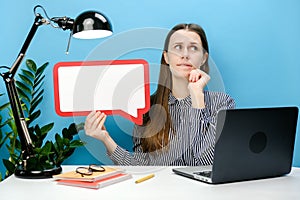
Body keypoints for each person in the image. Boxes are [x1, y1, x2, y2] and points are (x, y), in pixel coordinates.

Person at [84, 23, 235, 166]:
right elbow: (141, 167)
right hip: (162, 191)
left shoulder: (222, 103)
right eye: (178, 47)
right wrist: (105, 138)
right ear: (166, 57)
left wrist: (197, 101)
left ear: (203, 58)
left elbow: (207, 162)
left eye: (193, 48)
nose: (185, 55)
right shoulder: (147, 108)